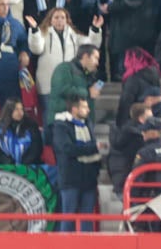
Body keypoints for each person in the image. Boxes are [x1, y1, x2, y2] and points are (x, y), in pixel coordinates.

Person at [49, 94, 101, 230]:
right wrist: (94, 148)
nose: (88, 110)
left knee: (87, 217)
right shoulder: (61, 126)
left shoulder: (88, 123)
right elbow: (67, 149)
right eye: (84, 107)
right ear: (74, 109)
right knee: (69, 216)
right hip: (70, 179)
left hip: (89, 178)